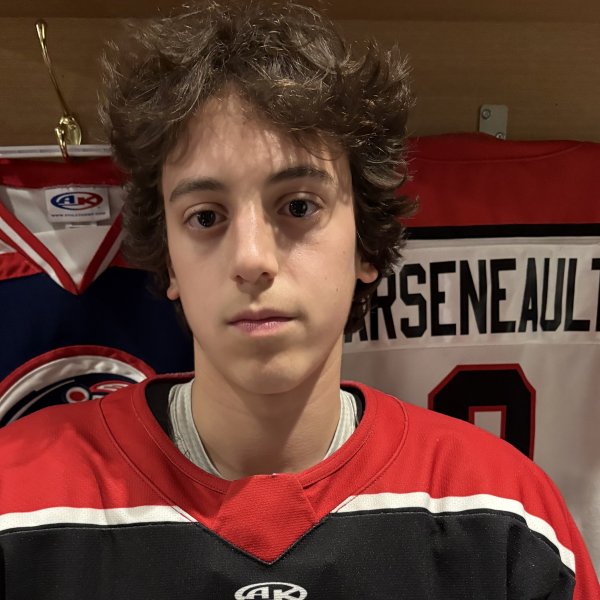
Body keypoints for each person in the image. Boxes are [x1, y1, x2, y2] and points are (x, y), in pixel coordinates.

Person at [0, 1, 598, 598]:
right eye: (206, 216)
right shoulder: (16, 502)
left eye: (298, 206)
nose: (252, 258)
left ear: (365, 243)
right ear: (169, 259)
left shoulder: (508, 519)